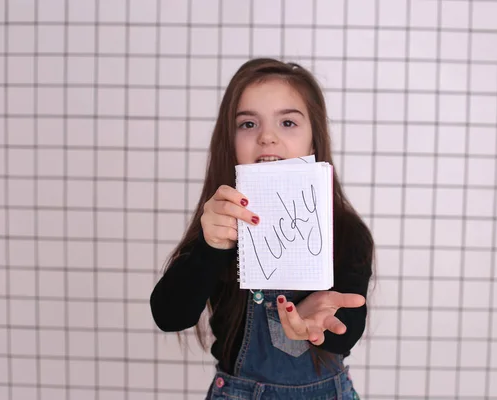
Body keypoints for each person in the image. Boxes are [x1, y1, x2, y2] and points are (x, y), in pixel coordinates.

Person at [150, 58, 374, 399]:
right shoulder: (220, 225)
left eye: (287, 122)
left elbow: (348, 330)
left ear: (314, 141)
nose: (267, 137)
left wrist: (318, 325)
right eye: (248, 124)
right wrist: (210, 246)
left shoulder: (346, 231)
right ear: (231, 142)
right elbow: (169, 315)